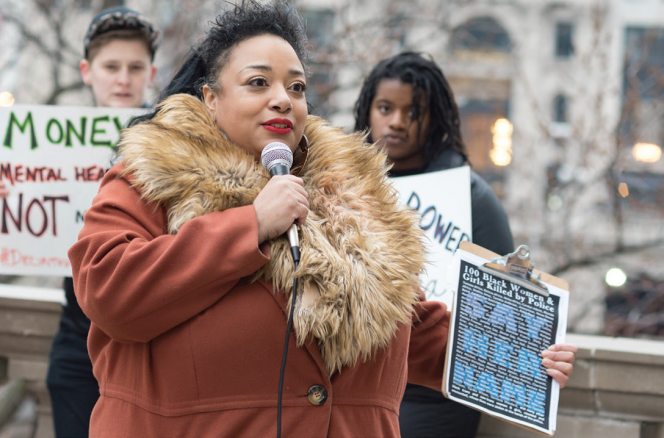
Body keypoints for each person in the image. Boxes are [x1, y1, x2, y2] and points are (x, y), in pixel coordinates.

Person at [68, 2, 577, 437]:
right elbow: (108, 289)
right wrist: (249, 225)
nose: (281, 98)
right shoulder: (149, 176)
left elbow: (409, 326)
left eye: (297, 86)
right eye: (257, 82)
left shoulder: (354, 199)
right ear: (210, 98)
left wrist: (520, 355)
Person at [353, 52, 575, 437]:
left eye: (414, 111)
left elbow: (514, 307)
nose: (397, 122)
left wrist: (543, 356)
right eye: (385, 107)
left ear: (435, 117)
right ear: (367, 111)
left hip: (433, 395)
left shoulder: (473, 198)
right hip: (356, 378)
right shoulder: (340, 185)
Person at [46, 7, 159, 437]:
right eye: (111, 67)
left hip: (143, 340)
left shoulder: (175, 145)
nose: (123, 79)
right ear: (86, 71)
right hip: (75, 337)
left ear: (151, 73)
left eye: (135, 68)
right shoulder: (47, 147)